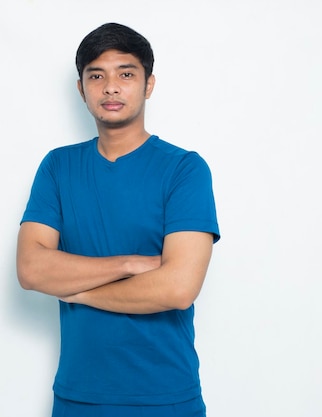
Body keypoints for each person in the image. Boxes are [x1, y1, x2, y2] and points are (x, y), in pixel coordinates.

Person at [17, 22, 220, 417]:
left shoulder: (184, 170)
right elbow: (31, 269)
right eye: (97, 75)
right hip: (78, 398)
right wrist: (128, 265)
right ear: (82, 89)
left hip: (165, 398)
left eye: (126, 74)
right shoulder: (59, 167)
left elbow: (178, 288)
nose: (111, 87)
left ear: (148, 85)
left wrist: (79, 291)